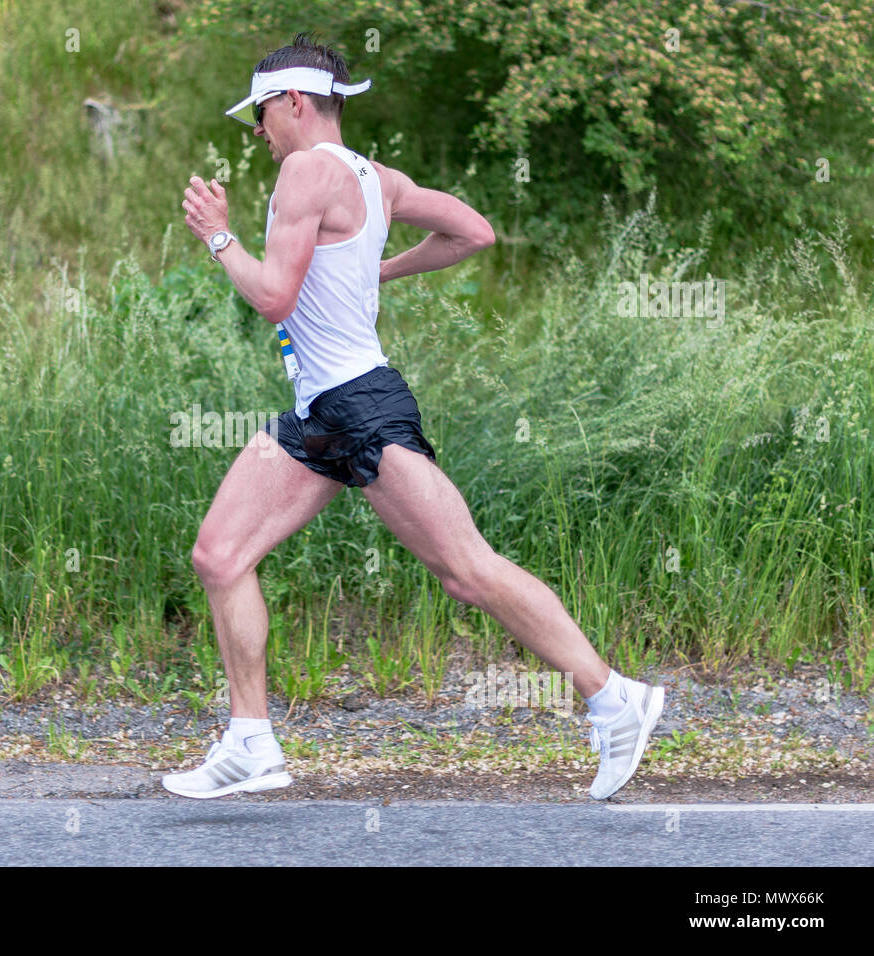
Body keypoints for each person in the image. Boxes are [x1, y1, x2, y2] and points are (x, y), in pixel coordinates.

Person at [164, 33, 664, 800]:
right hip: (320, 413)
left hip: (361, 406)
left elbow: (272, 296)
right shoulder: (377, 178)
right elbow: (474, 231)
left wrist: (218, 237)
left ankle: (612, 697)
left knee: (466, 570)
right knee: (220, 556)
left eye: (259, 113)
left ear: (293, 101)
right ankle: (251, 742)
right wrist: (379, 265)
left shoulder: (306, 171)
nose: (257, 132)